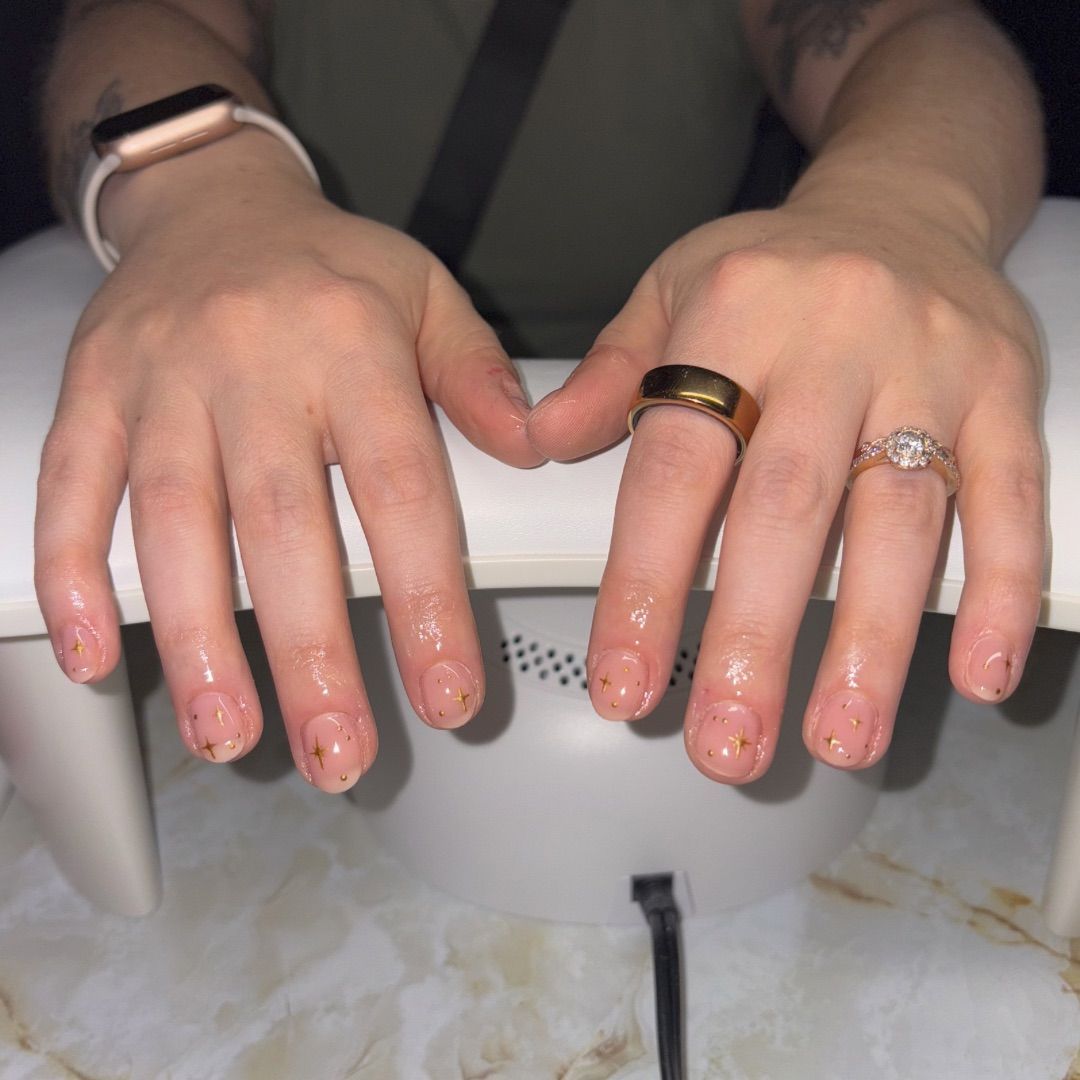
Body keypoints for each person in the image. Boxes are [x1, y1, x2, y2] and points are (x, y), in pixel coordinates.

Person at [36, 0, 1045, 793]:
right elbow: (132, 19)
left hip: (717, 423)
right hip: (284, 422)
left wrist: (902, 202)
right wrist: (208, 198)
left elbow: (915, 32)